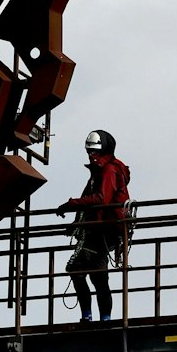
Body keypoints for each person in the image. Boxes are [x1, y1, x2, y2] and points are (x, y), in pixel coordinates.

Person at [55, 129, 132, 324]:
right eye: (89, 151)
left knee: (76, 270)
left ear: (103, 149)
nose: (91, 154)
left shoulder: (108, 171)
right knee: (98, 277)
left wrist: (71, 204)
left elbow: (100, 199)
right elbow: (92, 203)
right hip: (101, 230)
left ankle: (89, 316)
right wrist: (76, 224)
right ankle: (102, 318)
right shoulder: (102, 170)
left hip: (101, 231)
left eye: (95, 151)